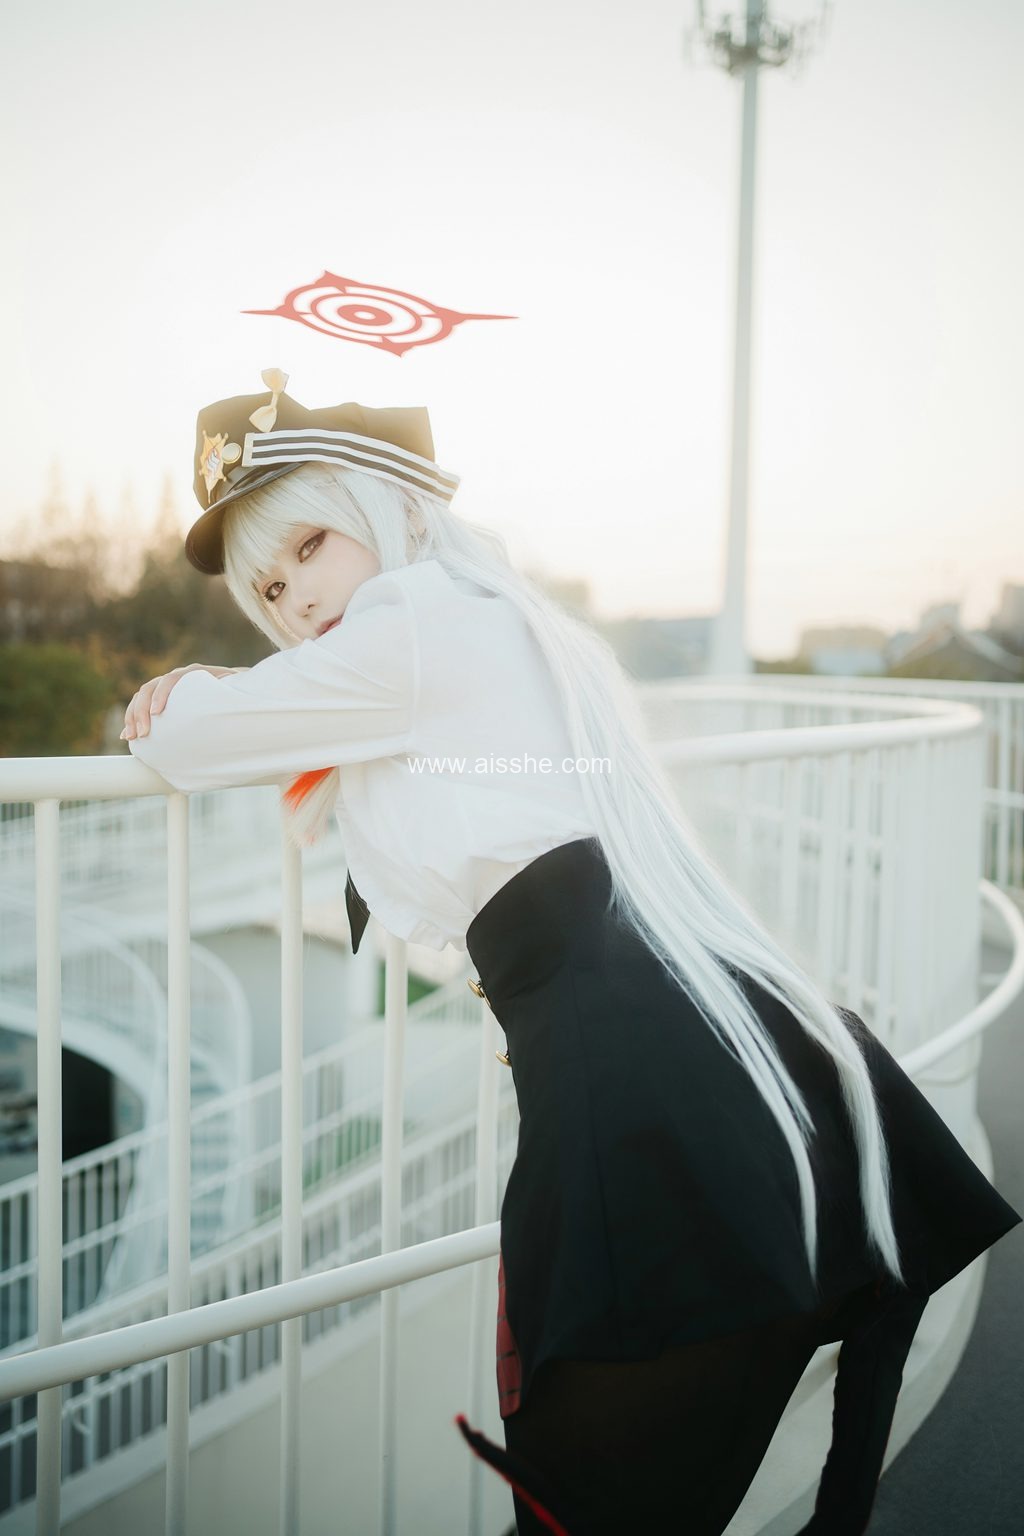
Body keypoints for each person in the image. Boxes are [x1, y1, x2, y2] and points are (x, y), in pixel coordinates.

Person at [124, 368, 1021, 1535]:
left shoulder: (414, 623)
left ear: (390, 509)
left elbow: (184, 742)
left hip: (623, 1073)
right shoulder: (486, 619)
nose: (296, 601)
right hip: (666, 1035)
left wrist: (191, 687)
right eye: (270, 589)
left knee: (587, 1490)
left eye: (308, 546)